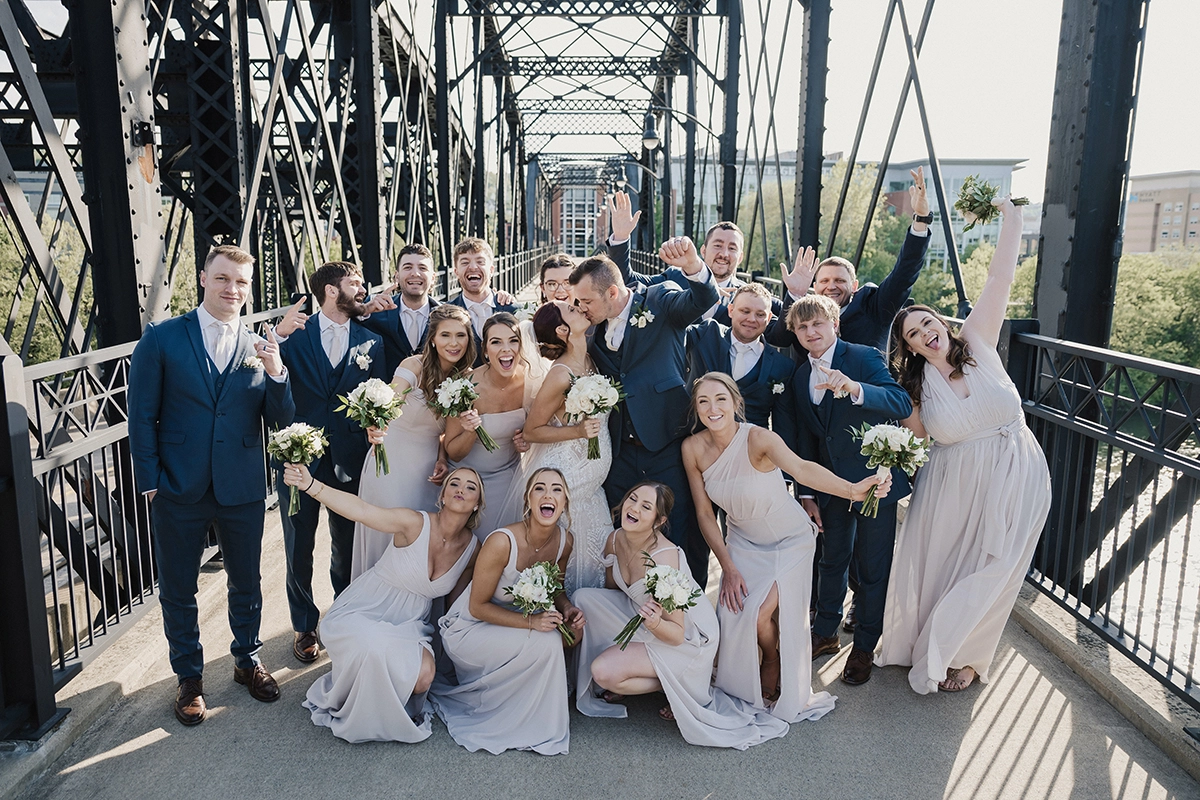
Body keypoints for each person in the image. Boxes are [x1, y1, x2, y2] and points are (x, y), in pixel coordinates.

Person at [877, 197, 1051, 694]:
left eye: (928, 323)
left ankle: (970, 655)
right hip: (952, 484)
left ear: (941, 323)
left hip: (1016, 468)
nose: (925, 333)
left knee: (997, 566)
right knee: (950, 566)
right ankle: (935, 644)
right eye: (913, 334)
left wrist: (1012, 218)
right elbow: (913, 437)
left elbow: (999, 281)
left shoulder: (978, 343)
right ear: (908, 347)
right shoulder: (915, 388)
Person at [128, 244, 295, 726]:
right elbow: (141, 417)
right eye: (223, 279)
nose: (232, 290)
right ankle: (189, 677)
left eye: (241, 282)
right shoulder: (162, 339)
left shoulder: (257, 345)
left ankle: (247, 659)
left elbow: (281, 419)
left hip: (241, 484)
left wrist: (276, 371)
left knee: (247, 580)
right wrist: (150, 482)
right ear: (203, 278)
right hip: (178, 486)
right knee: (179, 587)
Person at [683, 375, 890, 719]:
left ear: (735, 402)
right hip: (742, 543)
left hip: (790, 540)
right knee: (737, 615)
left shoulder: (759, 438)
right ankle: (764, 656)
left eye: (720, 399)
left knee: (760, 612)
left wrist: (853, 491)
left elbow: (801, 468)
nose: (712, 408)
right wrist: (729, 567)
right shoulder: (692, 449)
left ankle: (774, 659)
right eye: (703, 401)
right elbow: (705, 515)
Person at [573, 481, 790, 749]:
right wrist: (601, 623)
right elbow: (613, 590)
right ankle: (637, 664)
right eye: (632, 498)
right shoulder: (614, 539)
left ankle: (676, 686)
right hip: (641, 614)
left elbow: (676, 634)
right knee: (583, 598)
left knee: (603, 672)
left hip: (684, 638)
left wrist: (652, 623)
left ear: (658, 520)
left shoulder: (663, 561)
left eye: (646, 506)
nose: (634, 508)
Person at [280, 463, 481, 743]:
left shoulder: (473, 548)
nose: (461, 489)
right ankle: (359, 702)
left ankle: (381, 701)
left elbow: (455, 604)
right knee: (373, 643)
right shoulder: (414, 523)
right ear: (443, 496)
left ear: (476, 505)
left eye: (471, 487)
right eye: (455, 483)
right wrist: (311, 485)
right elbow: (362, 511)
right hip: (368, 608)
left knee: (424, 678)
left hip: (411, 623)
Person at [569, 240, 719, 587]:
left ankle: (688, 610)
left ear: (612, 292)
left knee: (679, 527)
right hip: (619, 449)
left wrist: (694, 266)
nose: (582, 308)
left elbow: (702, 300)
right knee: (619, 531)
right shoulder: (588, 325)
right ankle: (629, 605)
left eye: (587, 301)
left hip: (667, 441)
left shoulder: (659, 299)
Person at [782, 295, 913, 686]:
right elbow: (804, 438)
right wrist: (806, 493)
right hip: (829, 485)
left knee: (872, 568)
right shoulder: (796, 375)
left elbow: (900, 400)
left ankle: (864, 647)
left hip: (875, 480)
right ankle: (825, 632)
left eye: (817, 324)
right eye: (802, 328)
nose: (810, 333)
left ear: (834, 324)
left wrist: (856, 388)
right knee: (831, 557)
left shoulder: (863, 357)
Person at [271, 261, 387, 664]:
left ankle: (344, 615)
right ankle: (304, 626)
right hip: (297, 459)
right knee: (298, 547)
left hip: (351, 461)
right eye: (355, 283)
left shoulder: (372, 342)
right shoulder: (292, 338)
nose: (363, 290)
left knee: (348, 546)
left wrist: (379, 428)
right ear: (331, 291)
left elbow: (383, 398)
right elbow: (252, 363)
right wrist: (275, 334)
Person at [432, 468, 584, 755]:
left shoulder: (566, 541)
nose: (548, 495)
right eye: (539, 488)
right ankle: (535, 725)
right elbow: (477, 607)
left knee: (568, 634)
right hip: (470, 629)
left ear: (565, 502)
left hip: (511, 625)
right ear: (528, 498)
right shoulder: (502, 542)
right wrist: (532, 621)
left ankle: (528, 709)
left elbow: (556, 588)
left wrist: (568, 607)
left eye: (556, 490)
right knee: (547, 640)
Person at [351, 304, 477, 579]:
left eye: (461, 335)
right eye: (445, 335)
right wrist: (375, 424)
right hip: (390, 462)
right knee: (388, 530)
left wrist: (443, 458)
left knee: (420, 538)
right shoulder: (413, 366)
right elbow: (389, 400)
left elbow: (445, 432)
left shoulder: (465, 378)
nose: (453, 343)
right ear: (432, 338)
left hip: (426, 470)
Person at [770, 166, 933, 354]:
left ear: (855, 286)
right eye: (824, 281)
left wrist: (921, 220)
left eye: (839, 280)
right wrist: (795, 294)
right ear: (814, 287)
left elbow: (905, 273)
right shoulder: (804, 310)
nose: (831, 286)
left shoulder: (874, 306)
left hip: (866, 383)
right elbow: (780, 339)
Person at [521, 300, 611, 594]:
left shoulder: (590, 360)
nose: (580, 308)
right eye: (571, 310)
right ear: (562, 329)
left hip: (591, 488)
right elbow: (532, 431)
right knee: (569, 564)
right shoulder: (560, 374)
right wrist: (577, 430)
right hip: (568, 480)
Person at [604, 192, 783, 326]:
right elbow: (627, 282)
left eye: (732, 248)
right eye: (718, 245)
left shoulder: (749, 294)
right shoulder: (674, 277)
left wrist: (796, 293)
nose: (724, 254)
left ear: (741, 257)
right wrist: (621, 238)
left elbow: (786, 323)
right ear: (703, 250)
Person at [444, 313, 532, 538]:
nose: (506, 349)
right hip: (468, 477)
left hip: (508, 478)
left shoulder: (531, 381)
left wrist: (526, 441)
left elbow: (535, 429)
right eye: (496, 342)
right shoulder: (465, 387)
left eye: (513, 341)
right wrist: (470, 431)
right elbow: (453, 452)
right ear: (485, 350)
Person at [685, 283, 796, 433]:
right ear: (731, 310)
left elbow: (784, 426)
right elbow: (673, 331)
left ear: (769, 318)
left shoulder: (783, 366)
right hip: (697, 442)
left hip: (750, 449)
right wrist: (701, 291)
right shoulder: (707, 334)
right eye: (745, 311)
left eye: (760, 314)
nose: (751, 319)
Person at [355, 243, 441, 378]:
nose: (415, 273)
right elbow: (344, 328)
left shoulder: (446, 315)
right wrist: (364, 311)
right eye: (407, 267)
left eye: (422, 268)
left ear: (433, 277)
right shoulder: (374, 313)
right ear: (396, 276)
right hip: (388, 395)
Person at [446, 237, 518, 366]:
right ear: (456, 272)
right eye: (465, 262)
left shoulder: (514, 310)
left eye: (480, 261)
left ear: (491, 270)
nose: (473, 267)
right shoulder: (444, 314)